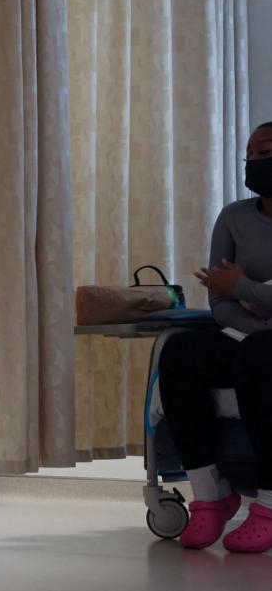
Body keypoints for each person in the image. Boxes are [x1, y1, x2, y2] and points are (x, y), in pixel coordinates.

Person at [158, 121, 272, 553]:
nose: (257, 161)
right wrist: (256, 308)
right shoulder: (234, 217)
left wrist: (244, 288)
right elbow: (217, 297)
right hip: (248, 334)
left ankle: (269, 502)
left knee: (260, 357)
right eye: (251, 155)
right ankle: (210, 495)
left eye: (267, 151)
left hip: (260, 346)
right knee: (181, 352)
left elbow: (233, 288)